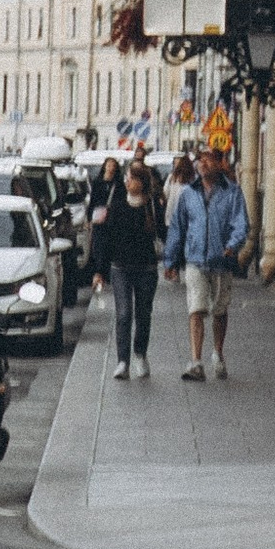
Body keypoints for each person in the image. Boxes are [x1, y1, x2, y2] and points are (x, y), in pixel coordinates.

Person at [165, 144, 249, 380]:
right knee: (196, 309)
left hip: (221, 261)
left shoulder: (232, 192)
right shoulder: (188, 194)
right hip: (195, 260)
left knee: (219, 310)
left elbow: (241, 224)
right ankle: (196, 361)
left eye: (209, 159)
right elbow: (177, 228)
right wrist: (170, 260)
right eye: (200, 159)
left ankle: (218, 353)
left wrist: (232, 246)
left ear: (219, 163)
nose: (203, 164)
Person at [93, 153, 162, 382]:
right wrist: (100, 271)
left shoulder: (151, 207)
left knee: (143, 314)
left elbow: (163, 232)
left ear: (140, 182)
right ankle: (122, 361)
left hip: (146, 269)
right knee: (123, 314)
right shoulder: (118, 207)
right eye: (127, 178)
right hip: (120, 267)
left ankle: (140, 354)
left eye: (131, 178)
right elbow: (106, 239)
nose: (126, 181)